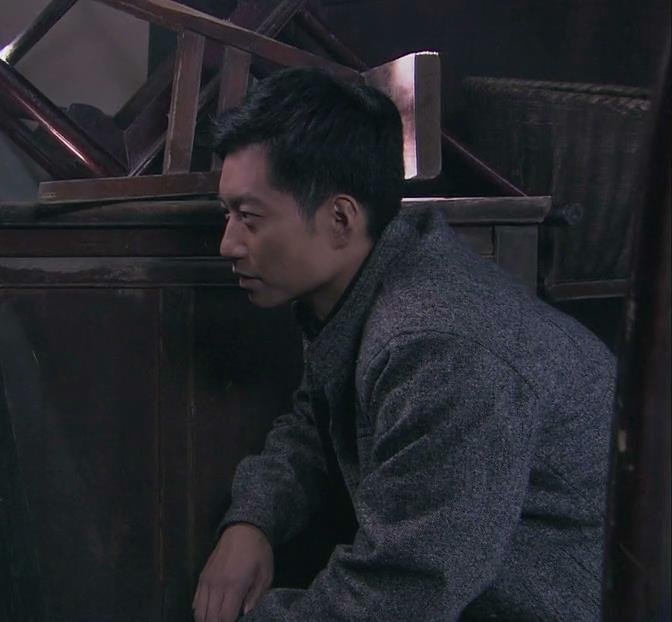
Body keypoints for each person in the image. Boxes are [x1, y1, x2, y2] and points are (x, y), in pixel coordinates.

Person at [192, 69, 615, 621]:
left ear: (340, 218)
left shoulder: (439, 344)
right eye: (227, 215)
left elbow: (402, 589)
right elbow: (318, 418)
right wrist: (253, 520)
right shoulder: (371, 280)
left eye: (249, 218)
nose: (228, 244)